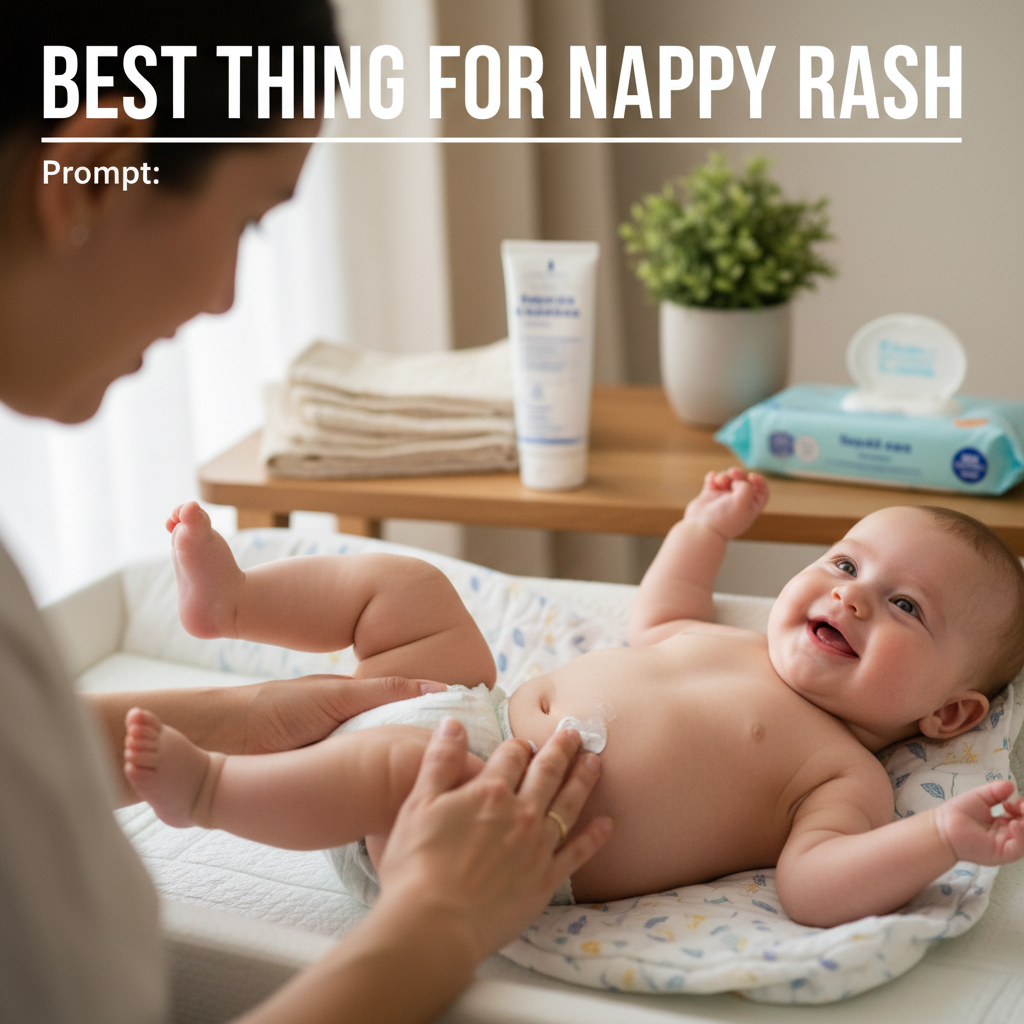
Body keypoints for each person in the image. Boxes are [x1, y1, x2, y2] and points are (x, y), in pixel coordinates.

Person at [0, 4, 609, 1022]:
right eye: (250, 218)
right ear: (92, 174)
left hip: (424, 714)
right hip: (445, 751)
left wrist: (246, 717)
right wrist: (437, 921)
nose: (231, 298)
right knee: (405, 587)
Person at [126, 472, 1024, 929]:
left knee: (396, 763)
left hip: (494, 834)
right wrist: (700, 529)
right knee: (411, 587)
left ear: (947, 716)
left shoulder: (842, 775)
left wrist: (937, 837)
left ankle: (210, 794)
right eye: (844, 563)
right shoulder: (729, 640)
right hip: (476, 706)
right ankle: (234, 603)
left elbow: (812, 886)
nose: (854, 595)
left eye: (906, 606)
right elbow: (661, 611)